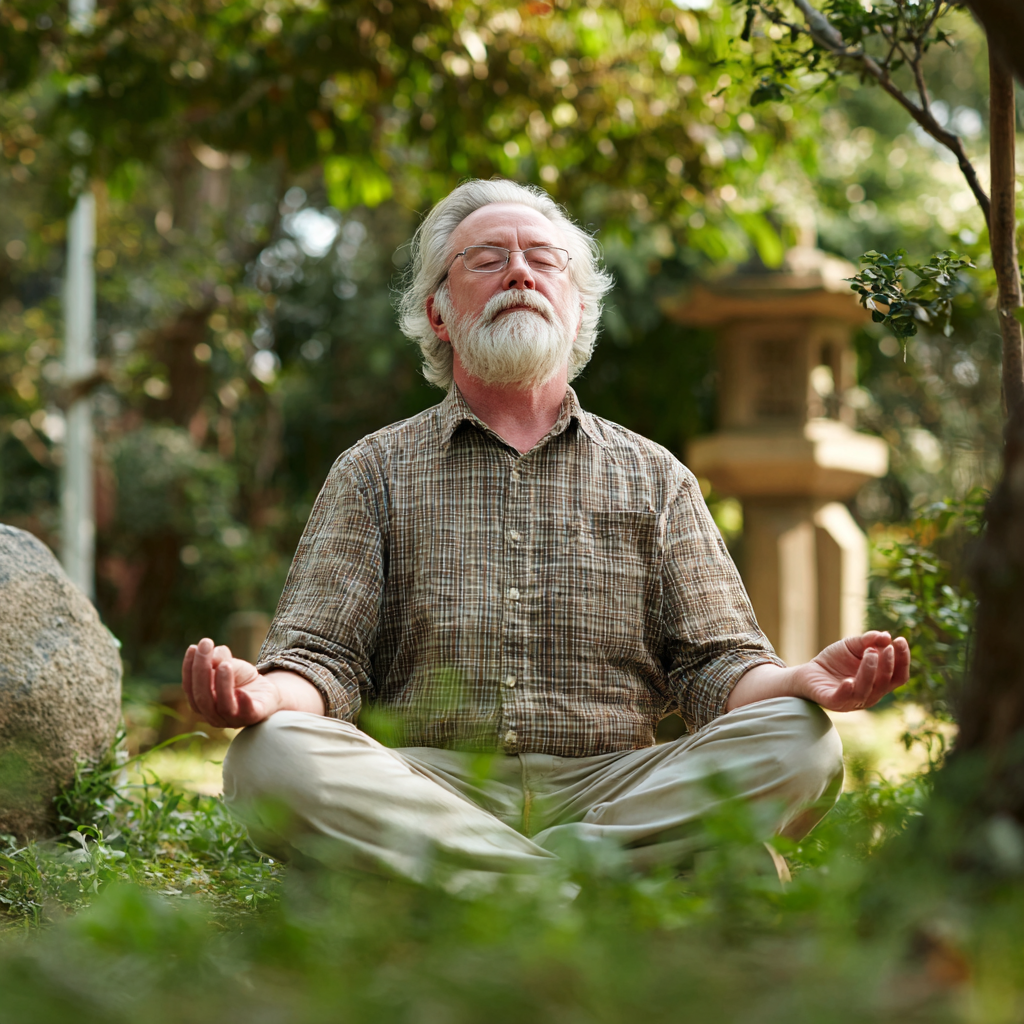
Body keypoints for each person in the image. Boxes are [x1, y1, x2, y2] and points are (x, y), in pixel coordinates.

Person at [182, 179, 910, 888]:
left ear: (579, 304)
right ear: (439, 312)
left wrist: (796, 682)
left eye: (542, 258)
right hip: (431, 785)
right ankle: (596, 879)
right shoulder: (373, 471)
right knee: (266, 758)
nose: (520, 273)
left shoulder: (656, 477)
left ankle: (479, 881)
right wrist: (264, 696)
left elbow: (717, 666)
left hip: (616, 790)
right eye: (488, 259)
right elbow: (322, 661)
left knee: (801, 740)